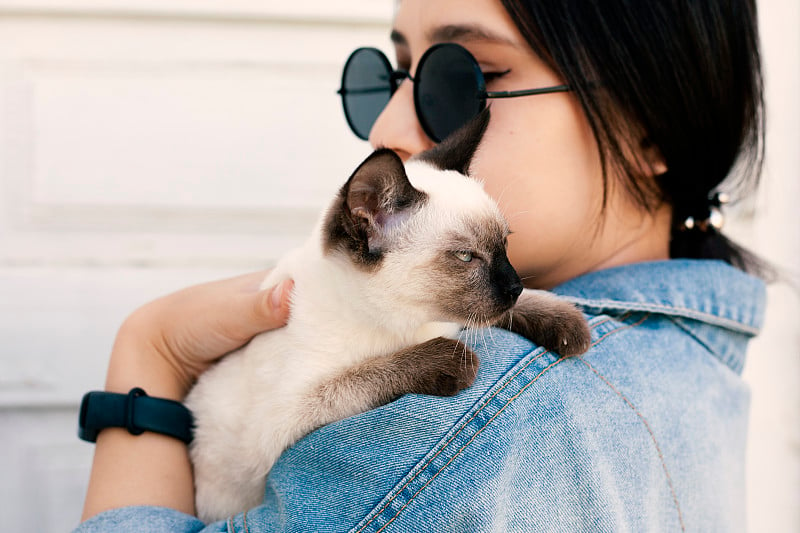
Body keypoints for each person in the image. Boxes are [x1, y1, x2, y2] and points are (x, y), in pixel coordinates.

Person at [75, 0, 770, 531]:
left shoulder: (481, 414)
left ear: (653, 123)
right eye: (391, 75)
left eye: (463, 80)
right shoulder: (695, 353)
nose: (389, 130)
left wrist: (151, 350)